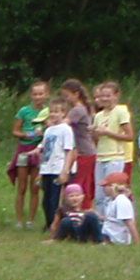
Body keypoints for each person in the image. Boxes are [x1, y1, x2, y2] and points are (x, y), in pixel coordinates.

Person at [11, 79, 51, 228]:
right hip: (24, 149)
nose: (38, 97)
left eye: (41, 94)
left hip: (39, 149)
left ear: (46, 94)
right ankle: (19, 219)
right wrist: (25, 135)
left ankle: (31, 220)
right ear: (31, 95)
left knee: (35, 187)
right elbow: (15, 131)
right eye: (35, 94)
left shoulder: (49, 111)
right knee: (22, 187)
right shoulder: (24, 111)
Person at [94, 79, 136, 199]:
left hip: (114, 157)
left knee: (112, 192)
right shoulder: (98, 116)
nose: (105, 99)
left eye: (108, 96)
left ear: (116, 96)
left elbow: (130, 136)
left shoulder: (121, 111)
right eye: (102, 96)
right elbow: (96, 139)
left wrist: (107, 133)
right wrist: (94, 132)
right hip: (100, 157)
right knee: (99, 195)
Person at [38, 98, 75, 228]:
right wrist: (40, 170)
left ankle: (56, 224)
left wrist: (65, 170)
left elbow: (69, 151)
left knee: (54, 198)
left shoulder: (66, 129)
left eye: (57, 112)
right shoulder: (49, 130)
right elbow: (45, 150)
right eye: (52, 112)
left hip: (58, 168)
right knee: (46, 199)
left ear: (63, 113)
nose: (53, 115)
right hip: (47, 168)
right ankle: (48, 222)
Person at [61, 78, 97, 207]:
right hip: (86, 151)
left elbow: (63, 125)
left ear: (76, 94)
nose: (65, 99)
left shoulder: (77, 110)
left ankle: (83, 209)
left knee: (80, 185)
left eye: (67, 96)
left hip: (84, 152)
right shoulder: (85, 108)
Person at [99, 171, 139, 245]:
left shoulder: (121, 200)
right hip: (108, 235)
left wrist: (137, 243)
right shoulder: (111, 200)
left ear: (114, 187)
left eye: (106, 186)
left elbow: (130, 223)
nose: (104, 188)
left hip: (116, 239)